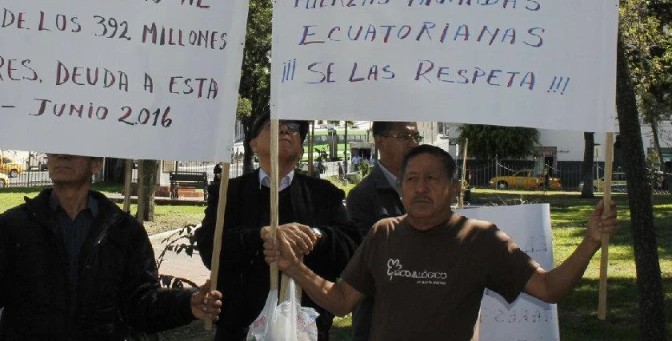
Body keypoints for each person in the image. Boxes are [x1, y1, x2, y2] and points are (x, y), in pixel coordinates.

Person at [263, 145, 618, 341]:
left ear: (454, 188)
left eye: (432, 178)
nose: (420, 188)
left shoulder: (481, 239)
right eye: (412, 179)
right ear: (400, 187)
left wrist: (589, 242)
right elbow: (341, 303)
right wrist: (294, 267)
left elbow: (548, 289)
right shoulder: (383, 233)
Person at [0, 153, 222, 341]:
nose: (62, 155)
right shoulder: (13, 226)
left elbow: (141, 305)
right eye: (55, 147)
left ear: (96, 164)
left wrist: (188, 305)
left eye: (74, 147)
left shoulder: (124, 230)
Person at [196, 111, 361, 341]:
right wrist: (262, 236)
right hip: (240, 330)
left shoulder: (324, 194)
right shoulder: (228, 193)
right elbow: (209, 248)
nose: (285, 130)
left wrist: (313, 236)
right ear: (253, 143)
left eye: (293, 127)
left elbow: (350, 249)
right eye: (273, 125)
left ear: (301, 148)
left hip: (306, 330)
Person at [344, 121, 421, 341]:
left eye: (416, 137)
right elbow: (367, 261)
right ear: (379, 141)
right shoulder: (362, 197)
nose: (413, 144)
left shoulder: (428, 190)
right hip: (379, 321)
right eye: (405, 137)